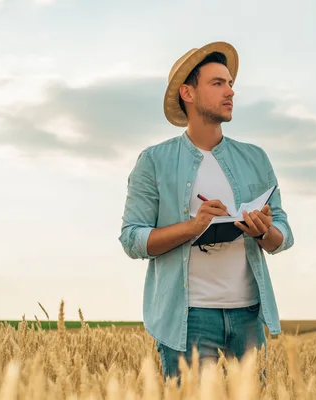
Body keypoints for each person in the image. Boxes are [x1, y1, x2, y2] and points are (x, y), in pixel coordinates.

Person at [118, 41, 294, 380]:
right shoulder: (154, 162)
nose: (230, 92)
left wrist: (263, 231)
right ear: (188, 92)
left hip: (249, 316)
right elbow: (131, 239)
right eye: (218, 83)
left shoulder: (255, 159)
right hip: (188, 318)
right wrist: (192, 226)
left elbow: (283, 233)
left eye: (230, 84)